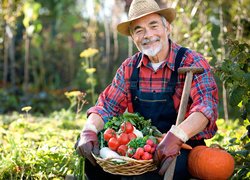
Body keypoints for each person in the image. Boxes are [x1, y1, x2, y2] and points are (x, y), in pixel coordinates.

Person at [76, 0, 219, 179]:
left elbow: (206, 108)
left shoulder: (192, 62)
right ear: (133, 37)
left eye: (153, 25)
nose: (147, 35)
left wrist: (177, 136)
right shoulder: (129, 67)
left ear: (167, 28)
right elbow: (107, 107)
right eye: (139, 30)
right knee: (92, 159)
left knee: (148, 176)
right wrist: (88, 130)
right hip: (142, 147)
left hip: (182, 146)